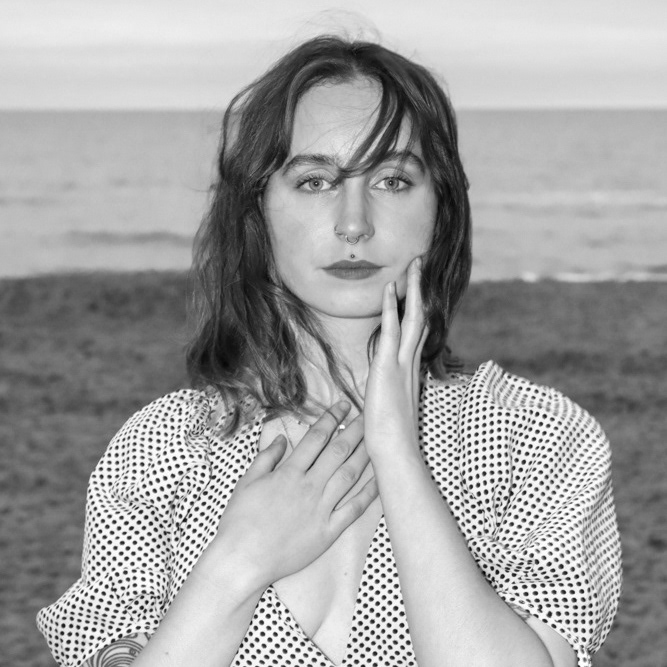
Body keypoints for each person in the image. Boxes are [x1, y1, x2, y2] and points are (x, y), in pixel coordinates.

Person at [37, 36, 622, 667]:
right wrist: (237, 564)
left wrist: (399, 454)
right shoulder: (165, 449)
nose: (354, 223)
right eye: (315, 181)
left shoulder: (535, 436)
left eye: (393, 180)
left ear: (441, 210)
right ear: (257, 212)